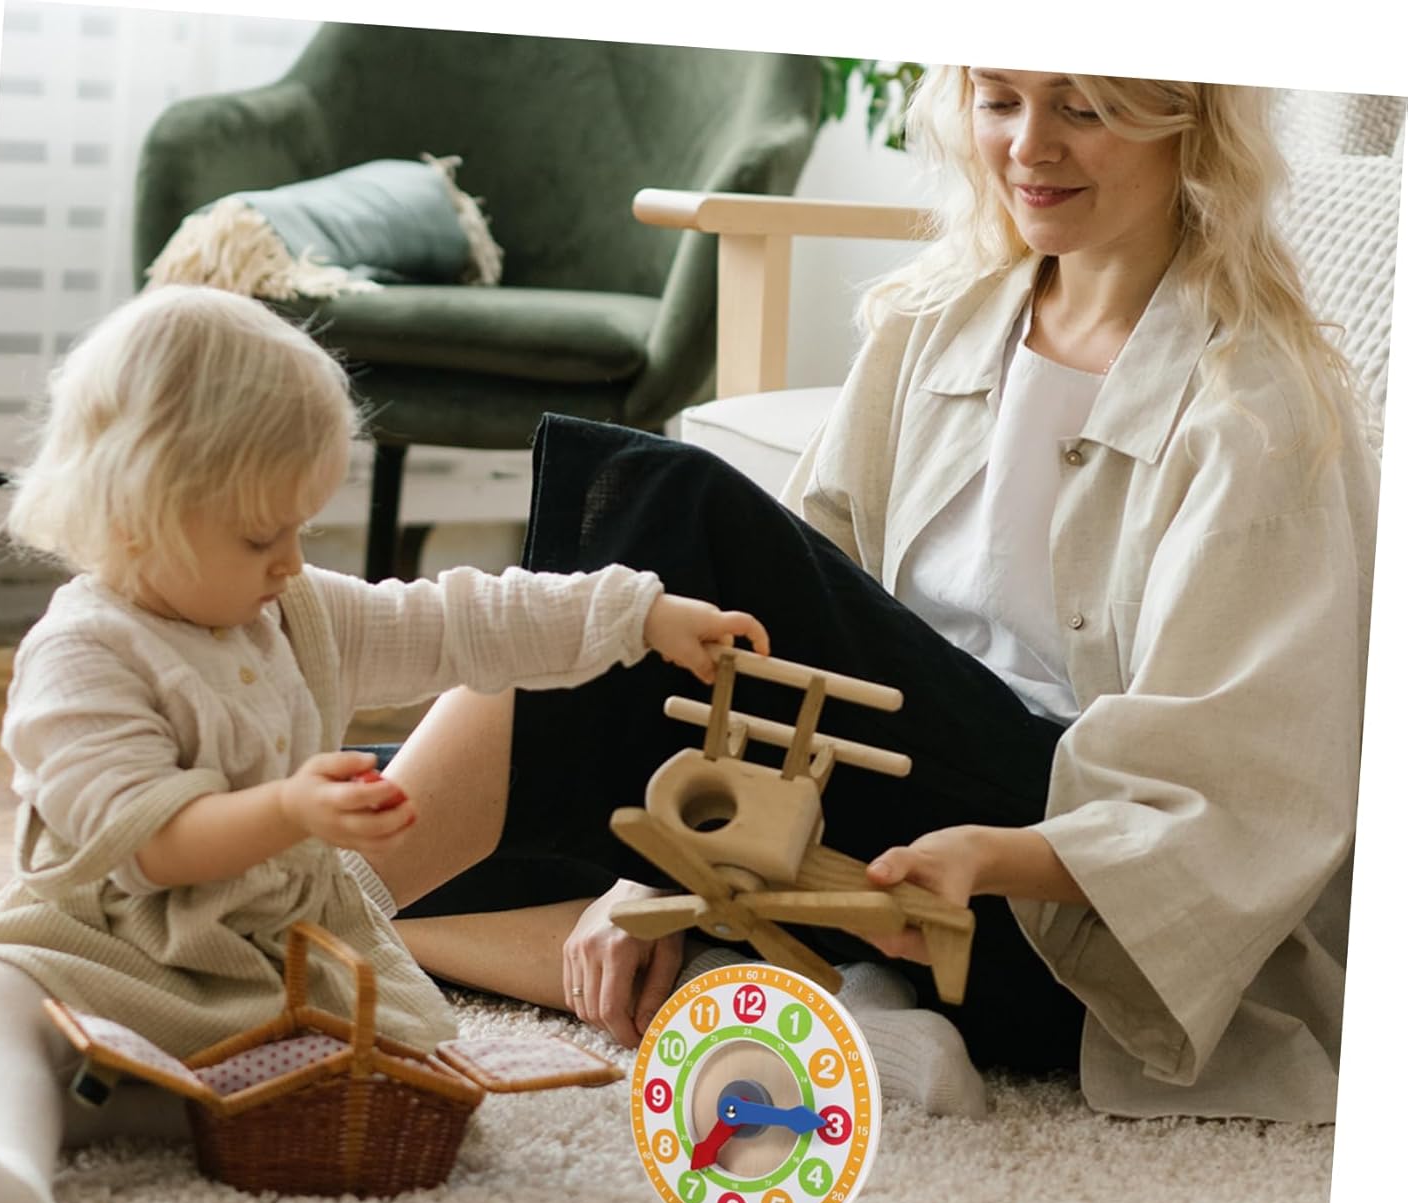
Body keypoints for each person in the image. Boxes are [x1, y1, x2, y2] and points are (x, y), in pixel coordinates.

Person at [360, 66, 1377, 1126]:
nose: (1030, 146)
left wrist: (995, 854)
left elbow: (1244, 789)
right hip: (854, 818)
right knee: (367, 793)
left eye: (1083, 109)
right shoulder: (938, 318)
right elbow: (805, 597)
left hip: (1033, 904)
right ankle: (805, 1006)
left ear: (1188, 126)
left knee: (671, 509)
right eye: (1000, 102)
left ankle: (294, 938)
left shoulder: (1259, 412)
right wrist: (651, 873)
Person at [0, 284, 767, 1203]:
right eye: (260, 536)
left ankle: (115, 1101)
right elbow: (150, 844)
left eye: (301, 528)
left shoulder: (296, 609)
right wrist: (289, 811)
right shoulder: (80, 655)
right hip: (113, 944)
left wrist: (636, 615)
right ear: (133, 518)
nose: (290, 560)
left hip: (277, 960)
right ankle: (8, 1172)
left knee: (400, 1071)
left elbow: (459, 622)